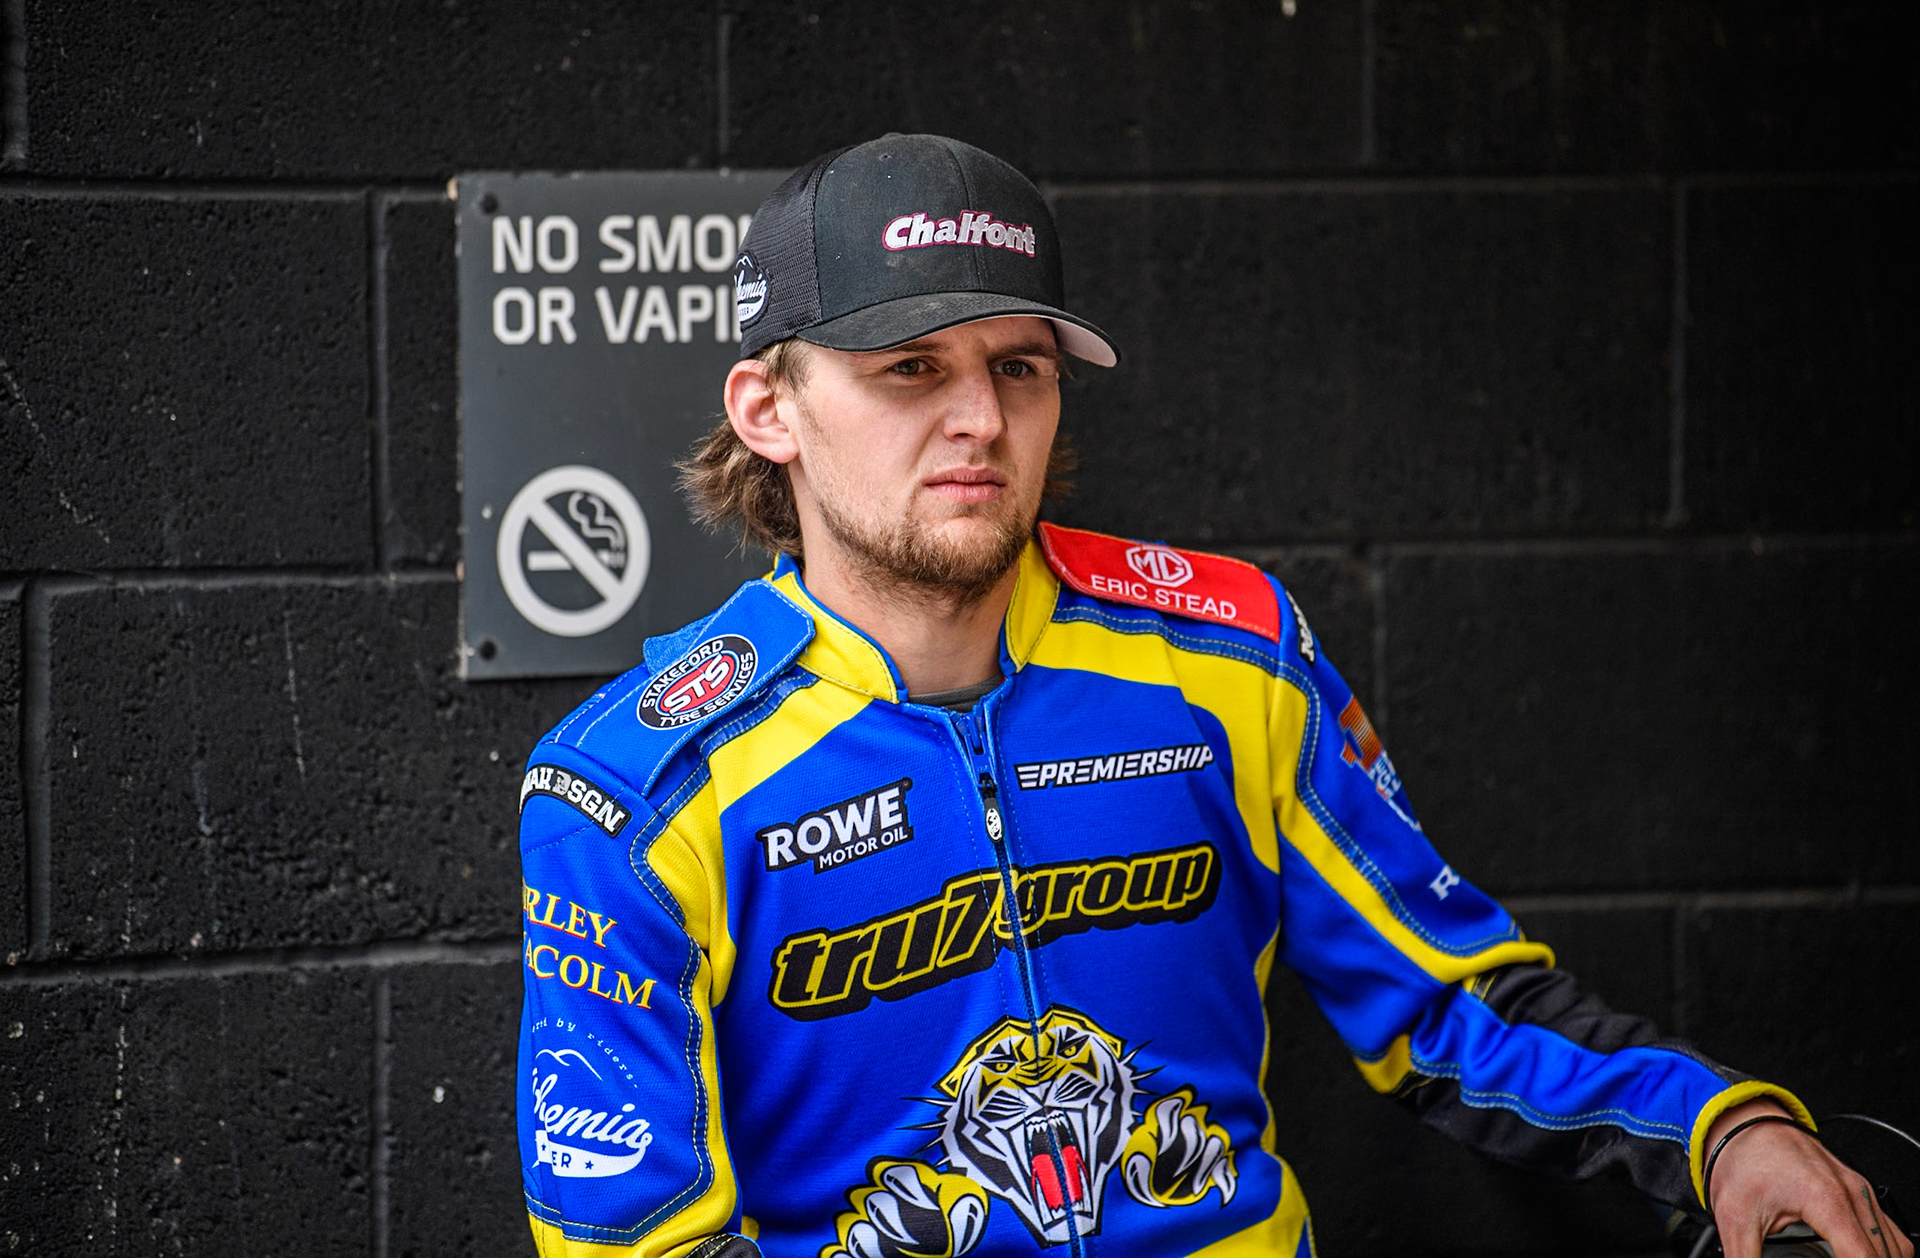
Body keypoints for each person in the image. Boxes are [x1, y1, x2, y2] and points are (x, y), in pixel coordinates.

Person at [515, 134, 1906, 1258]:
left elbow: (1450, 1006)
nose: (981, 419)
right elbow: (635, 1238)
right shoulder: (632, 793)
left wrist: (1722, 1131)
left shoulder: (1228, 658)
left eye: (1019, 368)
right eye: (910, 370)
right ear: (768, 409)